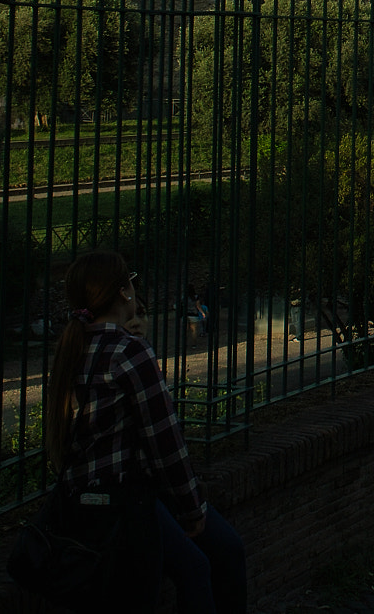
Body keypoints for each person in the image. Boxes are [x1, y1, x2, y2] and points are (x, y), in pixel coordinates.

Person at [45, 250, 248, 613]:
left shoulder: (74, 348)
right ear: (125, 293)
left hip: (88, 495)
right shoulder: (128, 351)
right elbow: (166, 442)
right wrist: (192, 510)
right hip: (126, 499)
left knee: (210, 558)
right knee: (202, 566)